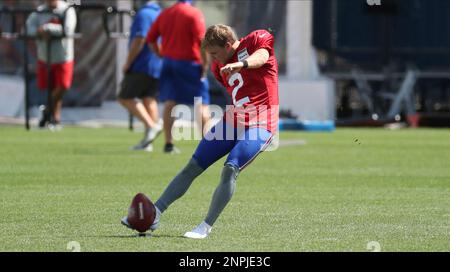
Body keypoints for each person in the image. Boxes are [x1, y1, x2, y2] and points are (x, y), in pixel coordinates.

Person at [122, 24, 279, 239]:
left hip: (262, 122)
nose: (214, 60)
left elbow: (261, 56)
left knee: (230, 168)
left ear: (227, 45)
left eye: (215, 53)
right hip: (233, 121)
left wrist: (241, 64)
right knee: (193, 166)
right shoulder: (217, 68)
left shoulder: (254, 41)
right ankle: (154, 213)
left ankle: (205, 227)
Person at [146, 0, 210, 154]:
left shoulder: (165, 13)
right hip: (190, 63)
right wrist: (205, 64)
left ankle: (168, 144)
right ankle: (208, 146)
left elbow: (150, 39)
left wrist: (161, 54)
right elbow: (203, 42)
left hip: (169, 63)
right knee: (201, 103)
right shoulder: (193, 13)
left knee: (170, 102)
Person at [118, 0, 162, 151]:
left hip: (142, 63)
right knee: (149, 99)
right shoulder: (159, 13)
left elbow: (140, 39)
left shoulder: (144, 13)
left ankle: (152, 126)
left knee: (124, 97)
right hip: (157, 63)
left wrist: (128, 62)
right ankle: (148, 142)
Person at [26, 0, 77, 129]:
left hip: (63, 56)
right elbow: (29, 28)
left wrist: (46, 29)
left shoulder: (67, 10)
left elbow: (68, 29)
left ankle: (47, 111)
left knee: (63, 86)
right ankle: (55, 119)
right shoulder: (39, 11)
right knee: (50, 88)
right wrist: (39, 32)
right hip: (45, 57)